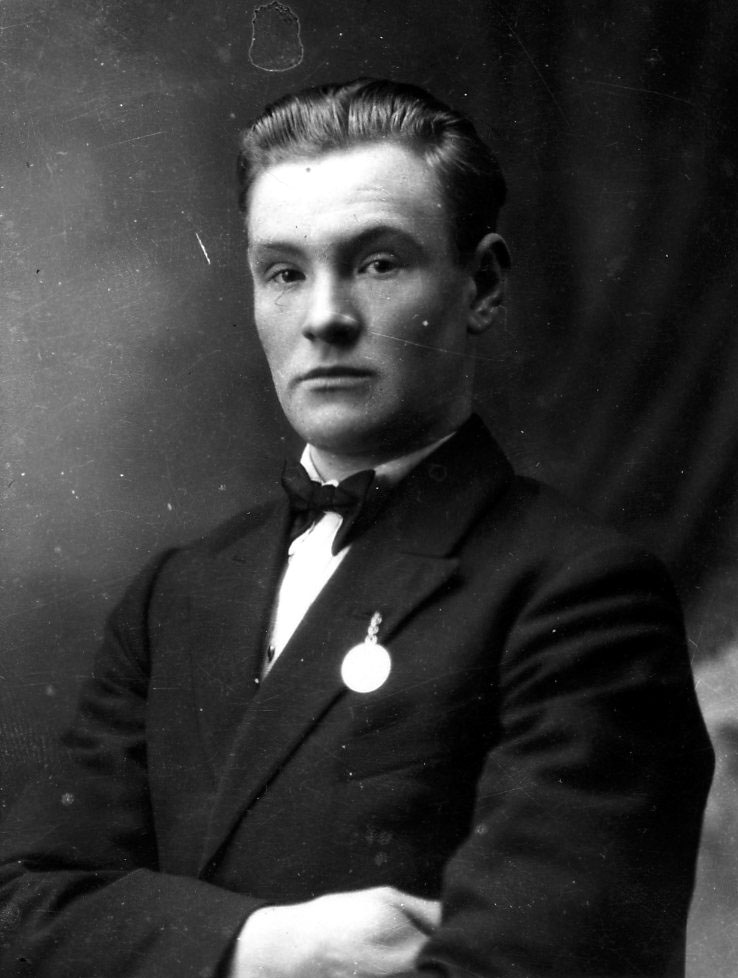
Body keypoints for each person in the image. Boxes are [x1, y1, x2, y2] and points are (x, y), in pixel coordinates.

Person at [0, 78, 713, 978]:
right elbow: (22, 908)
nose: (324, 318)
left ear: (483, 285)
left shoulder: (579, 593)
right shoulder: (176, 595)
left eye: (377, 264)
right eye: (285, 272)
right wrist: (266, 949)